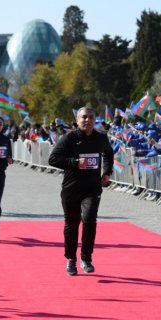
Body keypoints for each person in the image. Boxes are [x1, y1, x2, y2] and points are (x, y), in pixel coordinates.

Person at [48, 107, 113, 276]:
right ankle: (71, 259)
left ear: (95, 120)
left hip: (92, 188)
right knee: (71, 224)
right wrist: (75, 162)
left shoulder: (101, 138)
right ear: (77, 120)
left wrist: (106, 173)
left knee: (90, 220)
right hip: (71, 189)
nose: (87, 120)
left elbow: (108, 153)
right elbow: (53, 159)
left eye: (91, 117)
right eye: (84, 117)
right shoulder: (69, 138)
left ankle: (86, 258)